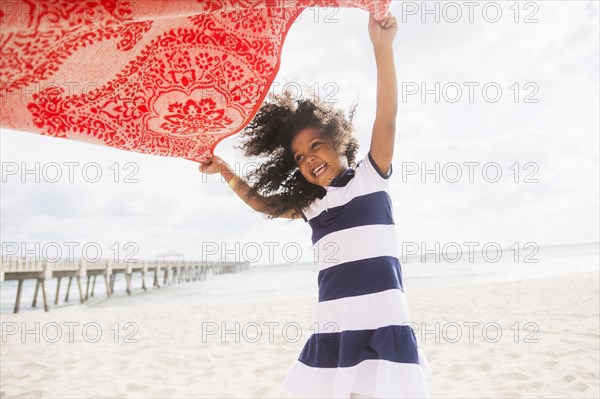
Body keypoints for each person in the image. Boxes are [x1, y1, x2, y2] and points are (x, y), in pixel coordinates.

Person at [198, 11, 431, 399]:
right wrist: (225, 170)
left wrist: (381, 48)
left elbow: (387, 118)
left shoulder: (370, 177)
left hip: (384, 319)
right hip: (337, 325)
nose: (309, 158)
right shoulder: (311, 205)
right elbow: (262, 202)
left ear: (339, 140)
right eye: (300, 157)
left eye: (316, 145)